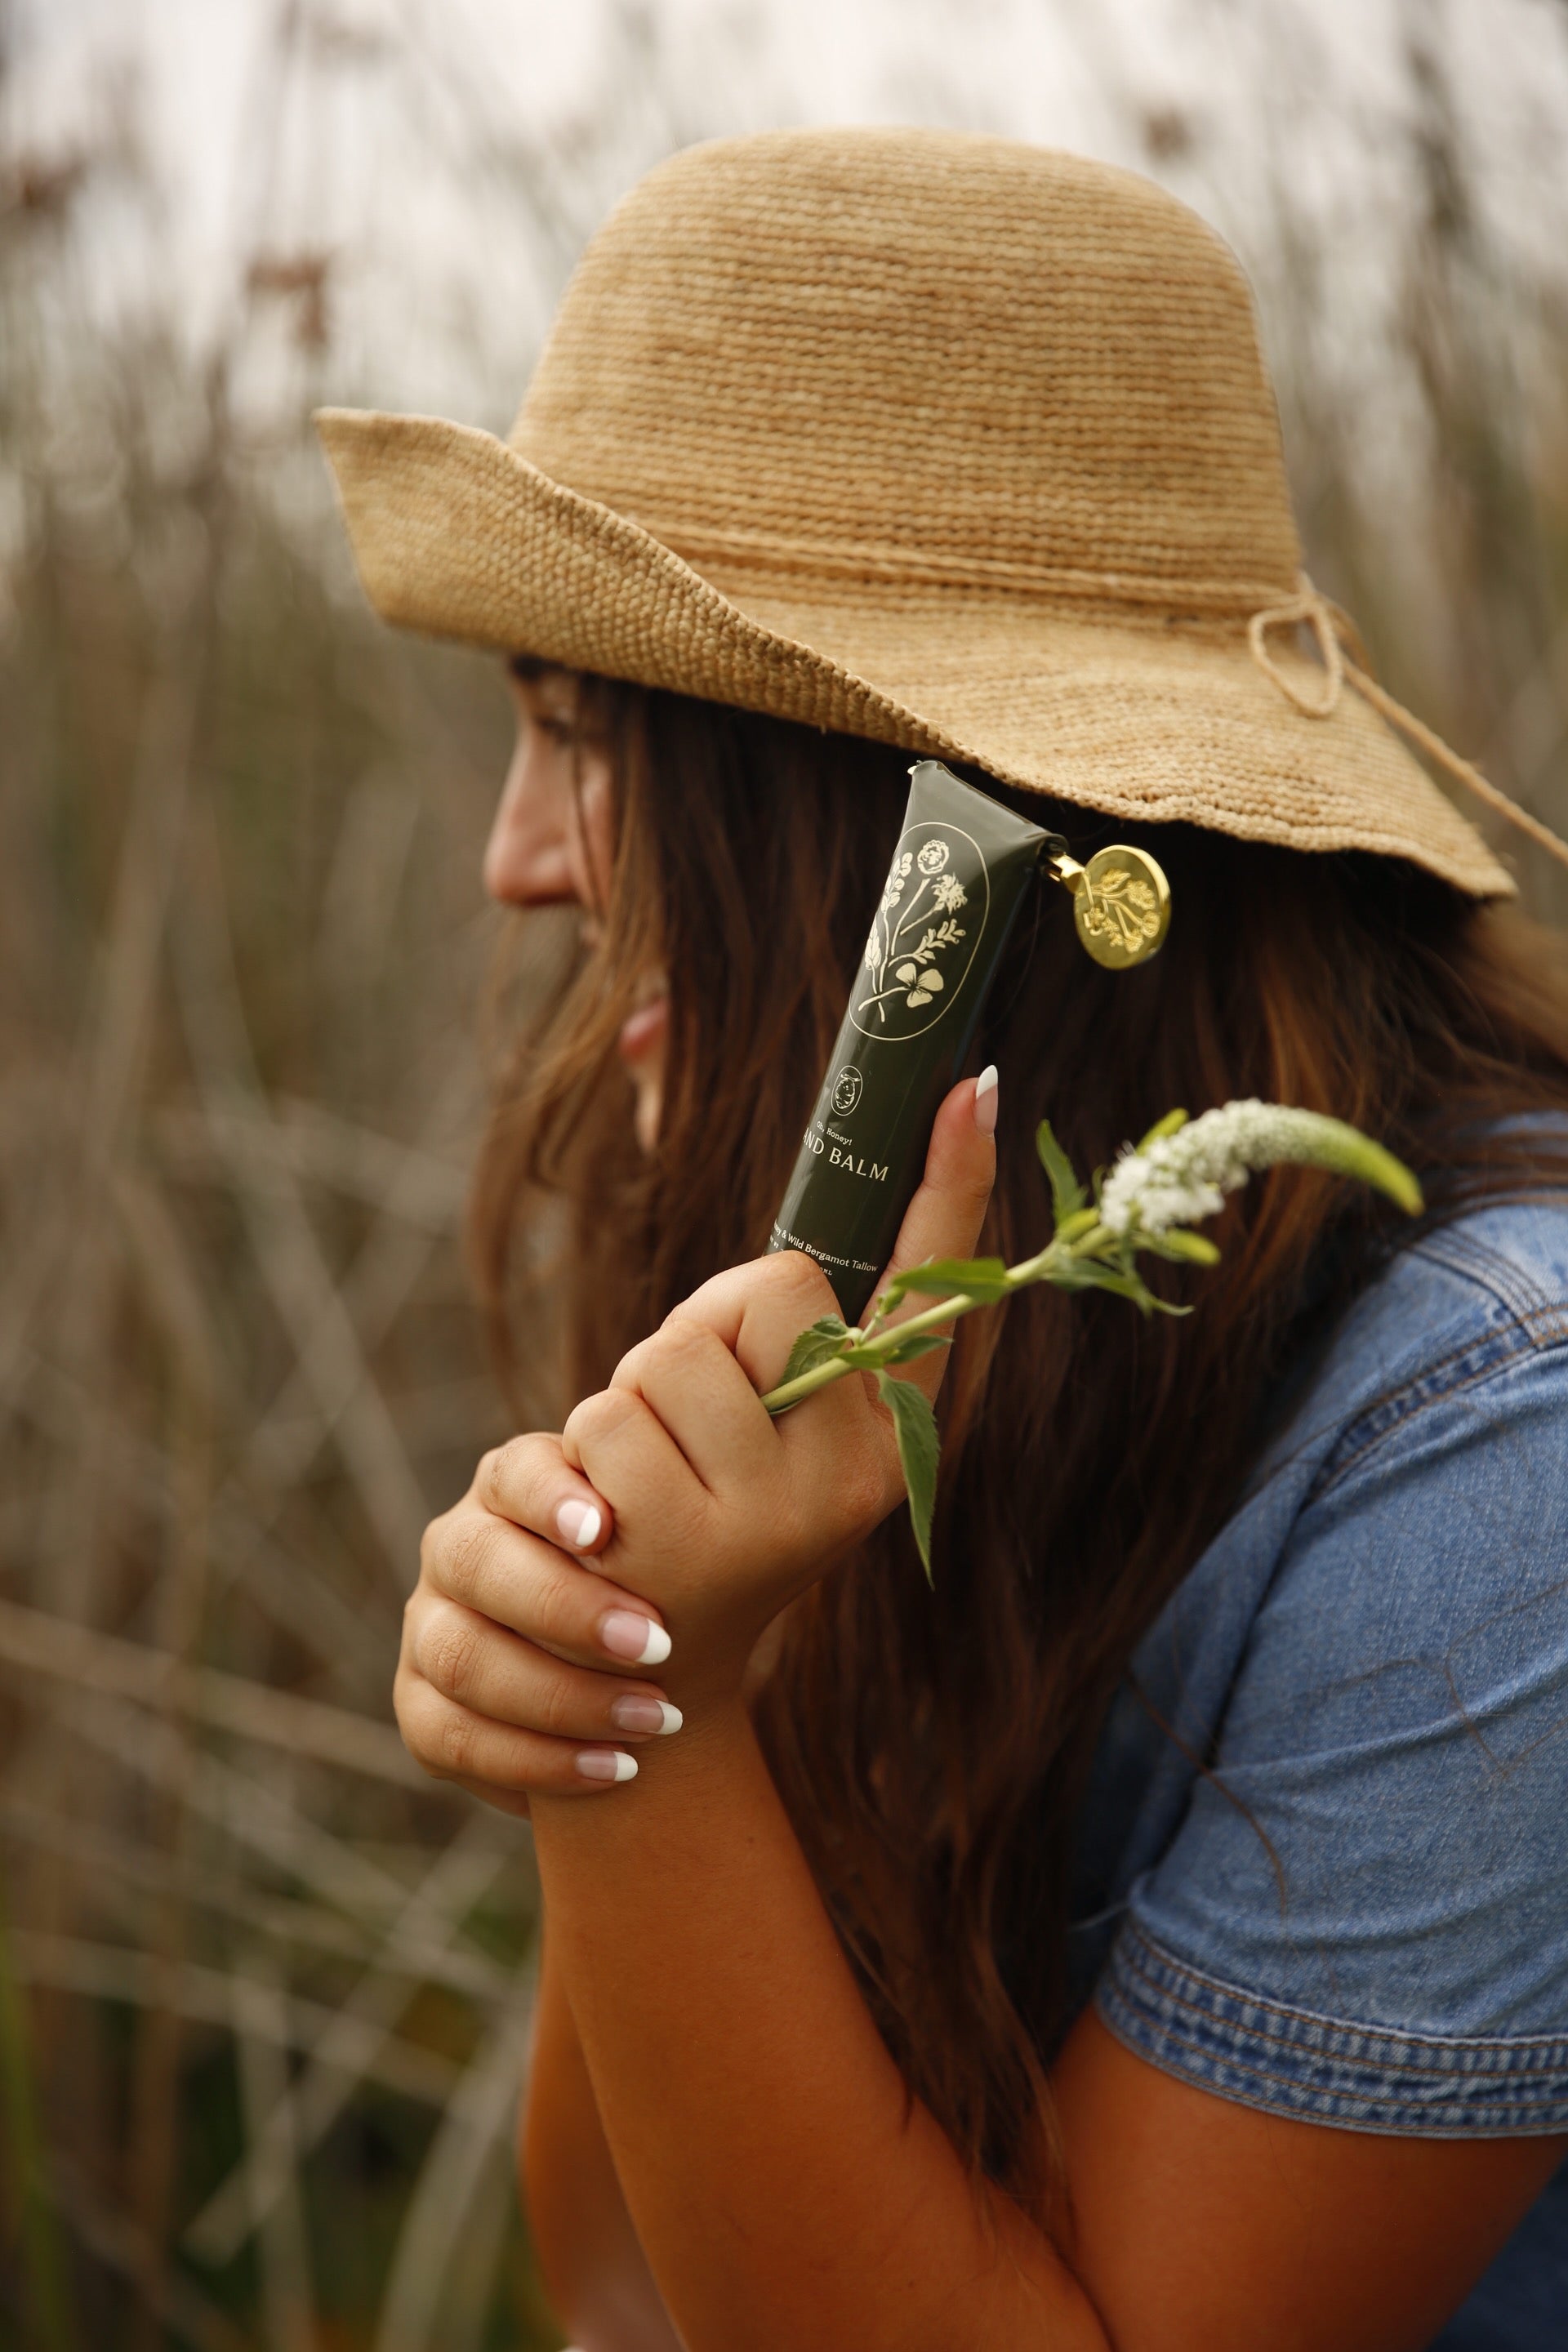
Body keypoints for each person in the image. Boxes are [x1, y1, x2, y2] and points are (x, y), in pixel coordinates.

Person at [319, 130, 1568, 2352]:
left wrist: (657, 1722)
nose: (516, 860)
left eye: (586, 738)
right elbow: (624, 2300)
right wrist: (626, 1671)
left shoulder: (1503, 1462)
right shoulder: (866, 1310)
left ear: (921, 846)